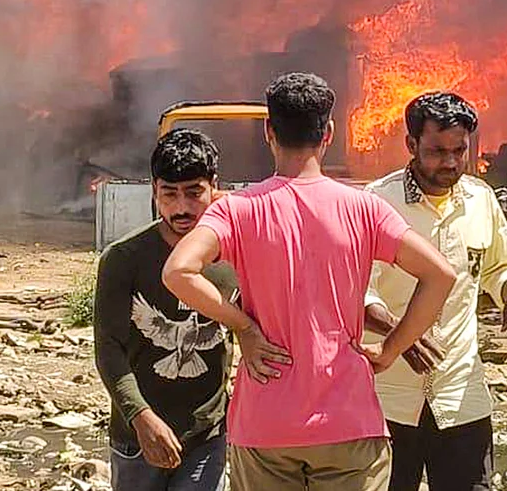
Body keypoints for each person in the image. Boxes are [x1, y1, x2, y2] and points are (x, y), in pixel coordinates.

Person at [163, 72, 457, 491]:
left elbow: (178, 271)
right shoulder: (364, 208)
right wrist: (392, 350)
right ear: (329, 133)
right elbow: (440, 275)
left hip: (265, 423)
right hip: (348, 423)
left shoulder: (237, 210)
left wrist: (243, 326)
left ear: (269, 131)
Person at [363, 91, 507, 491]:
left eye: (459, 150)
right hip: (388, 401)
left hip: (462, 398)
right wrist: (400, 335)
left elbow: (499, 265)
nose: (450, 162)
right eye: (436, 151)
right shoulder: (375, 204)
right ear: (411, 145)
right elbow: (357, 293)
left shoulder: (481, 200)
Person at [94, 129, 236, 491]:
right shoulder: (124, 258)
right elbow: (108, 349)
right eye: (169, 194)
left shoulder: (234, 257)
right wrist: (140, 417)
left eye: (193, 192)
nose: (182, 207)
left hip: (207, 436)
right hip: (137, 440)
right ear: (154, 191)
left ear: (214, 187)